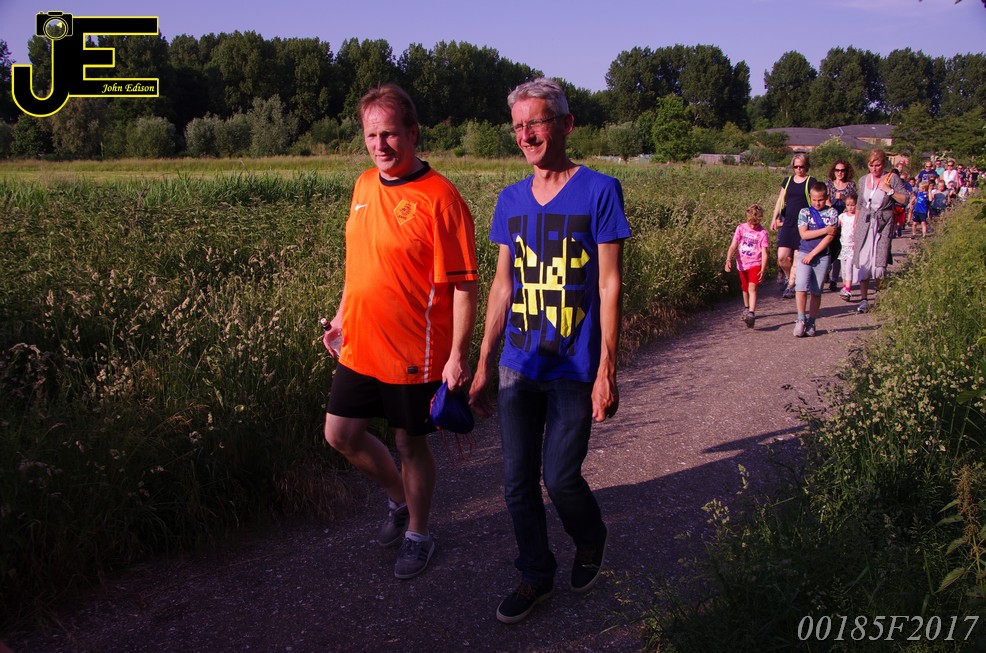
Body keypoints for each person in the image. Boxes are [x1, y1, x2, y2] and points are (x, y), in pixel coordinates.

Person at [468, 78, 630, 625]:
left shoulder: (600, 191)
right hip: (518, 363)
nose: (526, 135)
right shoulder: (510, 200)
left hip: (572, 366)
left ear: (565, 124)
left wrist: (607, 368)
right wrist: (483, 362)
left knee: (560, 478)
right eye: (518, 126)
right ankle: (535, 574)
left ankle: (590, 536)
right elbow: (502, 286)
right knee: (517, 484)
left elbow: (609, 284)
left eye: (535, 122)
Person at [321, 83, 478, 580]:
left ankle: (419, 533)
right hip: (360, 344)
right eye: (372, 135)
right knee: (340, 434)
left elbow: (464, 287)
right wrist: (342, 317)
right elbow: (358, 263)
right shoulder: (364, 185)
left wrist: (458, 355)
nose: (380, 145)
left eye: (389, 133)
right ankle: (399, 500)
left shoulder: (441, 198)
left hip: (416, 351)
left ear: (412, 133)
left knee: (410, 444)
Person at [852, 149, 910, 314]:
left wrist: (889, 191)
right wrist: (855, 224)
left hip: (883, 224)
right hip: (865, 223)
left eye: (877, 165)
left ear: (883, 164)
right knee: (863, 262)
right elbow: (860, 203)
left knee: (879, 261)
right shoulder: (863, 180)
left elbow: (905, 199)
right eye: (871, 165)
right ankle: (864, 299)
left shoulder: (892, 178)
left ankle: (879, 296)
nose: (874, 169)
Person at [793, 182, 839, 337]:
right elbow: (804, 234)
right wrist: (825, 229)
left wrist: (812, 254)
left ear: (826, 197)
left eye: (820, 200)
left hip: (822, 255)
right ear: (810, 198)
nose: (817, 203)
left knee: (816, 290)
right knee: (800, 286)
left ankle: (812, 321)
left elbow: (830, 237)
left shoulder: (832, 213)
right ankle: (801, 319)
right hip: (804, 252)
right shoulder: (804, 212)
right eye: (814, 200)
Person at [771, 153, 816, 299]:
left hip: (803, 223)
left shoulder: (811, 181)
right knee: (782, 257)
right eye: (796, 166)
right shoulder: (788, 181)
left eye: (801, 166)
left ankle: (791, 286)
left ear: (806, 166)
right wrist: (774, 218)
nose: (798, 169)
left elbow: (815, 201)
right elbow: (780, 200)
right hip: (788, 222)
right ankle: (790, 277)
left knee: (797, 256)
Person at [725, 203, 769, 328]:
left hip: (755, 264)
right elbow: (733, 245)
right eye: (751, 223)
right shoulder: (741, 228)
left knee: (752, 288)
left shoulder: (763, 233)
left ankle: (751, 313)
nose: (753, 226)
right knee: (744, 287)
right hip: (742, 264)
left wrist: (763, 269)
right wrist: (728, 259)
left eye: (756, 223)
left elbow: (764, 253)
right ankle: (746, 307)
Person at [825, 159, 855, 291]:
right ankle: (825, 272)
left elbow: (853, 203)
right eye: (837, 170)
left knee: (839, 250)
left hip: (845, 222)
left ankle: (834, 279)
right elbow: (824, 201)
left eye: (842, 170)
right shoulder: (828, 184)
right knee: (828, 248)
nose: (840, 172)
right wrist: (833, 201)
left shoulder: (851, 185)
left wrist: (842, 199)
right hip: (830, 220)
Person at [837, 192, 858, 301]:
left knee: (849, 267)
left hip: (852, 245)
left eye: (853, 205)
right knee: (844, 268)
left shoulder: (857, 217)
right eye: (848, 205)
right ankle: (844, 286)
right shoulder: (842, 216)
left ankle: (848, 289)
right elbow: (836, 226)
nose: (850, 207)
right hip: (843, 245)